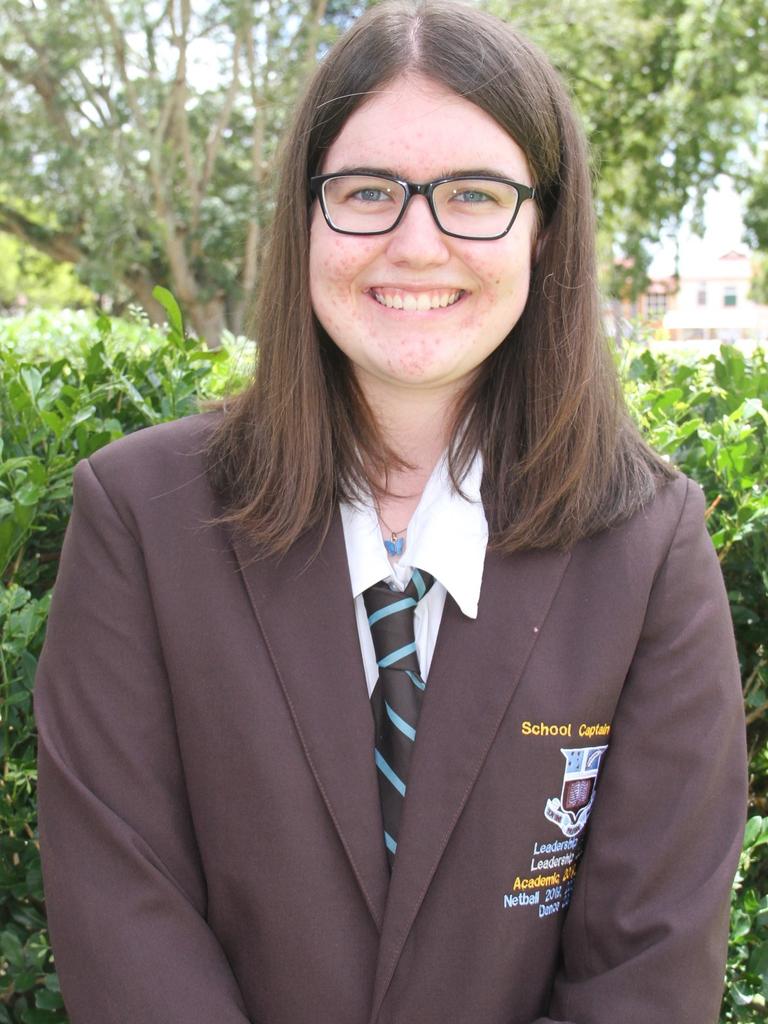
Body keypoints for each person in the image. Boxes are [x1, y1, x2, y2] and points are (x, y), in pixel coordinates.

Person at [34, 2, 747, 1022]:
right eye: (368, 191)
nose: (417, 243)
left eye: (475, 194)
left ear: (545, 232)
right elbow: (126, 924)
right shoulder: (140, 521)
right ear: (306, 217)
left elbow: (648, 969)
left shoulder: (648, 547)